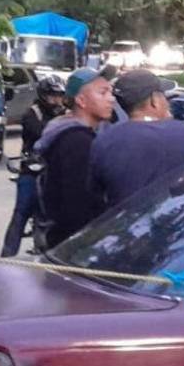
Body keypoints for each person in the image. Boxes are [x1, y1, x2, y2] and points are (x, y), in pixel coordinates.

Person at [88, 70, 184, 210]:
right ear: (154, 100)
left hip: (127, 226)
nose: (167, 102)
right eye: (164, 96)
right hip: (178, 222)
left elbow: (95, 196)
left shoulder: (104, 141)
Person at [33, 68, 115, 249]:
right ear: (81, 100)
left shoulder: (78, 134)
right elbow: (77, 206)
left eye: (111, 91)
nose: (111, 98)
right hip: (73, 247)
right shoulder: (77, 142)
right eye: (103, 92)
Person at [1, 75, 65, 258]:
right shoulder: (32, 113)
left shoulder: (64, 114)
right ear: (43, 95)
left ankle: (52, 257)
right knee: (21, 213)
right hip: (32, 170)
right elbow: (41, 133)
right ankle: (7, 256)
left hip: (54, 173)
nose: (57, 99)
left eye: (59, 95)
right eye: (53, 95)